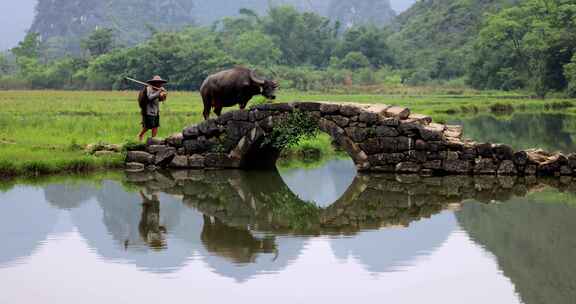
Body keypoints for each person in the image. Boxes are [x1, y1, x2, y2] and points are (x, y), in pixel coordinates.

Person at [137, 75, 168, 141]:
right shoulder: (149, 88)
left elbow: (160, 99)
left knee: (156, 126)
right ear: (154, 82)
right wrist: (159, 91)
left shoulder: (158, 89)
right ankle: (140, 135)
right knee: (148, 126)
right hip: (148, 110)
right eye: (157, 82)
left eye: (160, 83)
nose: (159, 84)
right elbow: (150, 97)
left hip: (156, 110)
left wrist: (164, 95)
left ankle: (153, 139)